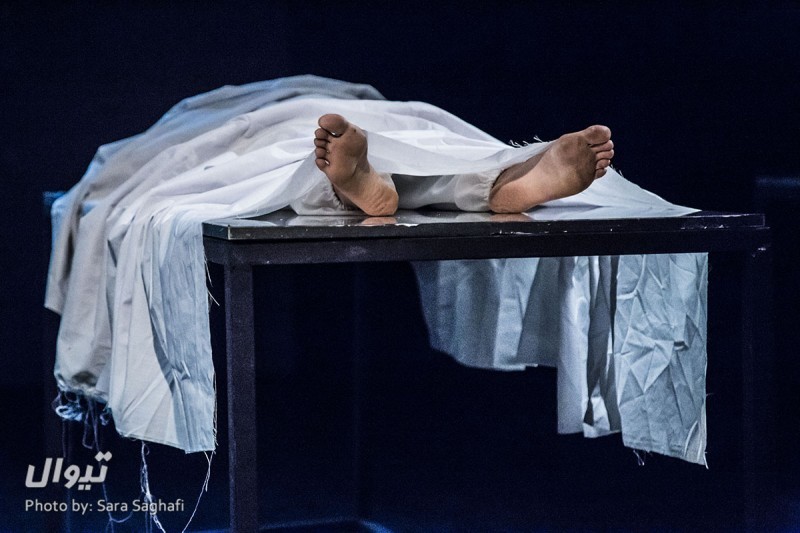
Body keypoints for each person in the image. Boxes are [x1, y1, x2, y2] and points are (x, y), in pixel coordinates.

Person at [312, 114, 614, 216]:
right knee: (427, 144)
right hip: (380, 109)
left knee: (297, 153)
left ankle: (353, 184)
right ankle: (501, 178)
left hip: (294, 106)